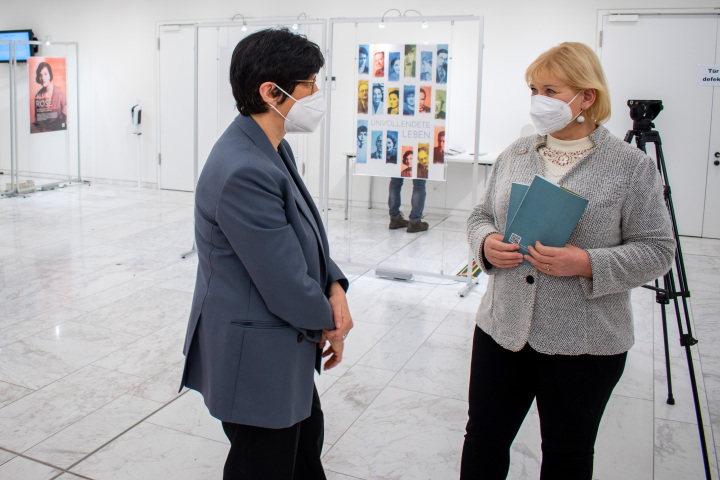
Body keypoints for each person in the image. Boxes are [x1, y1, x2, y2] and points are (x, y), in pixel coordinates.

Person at [461, 42, 676, 480]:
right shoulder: (516, 153)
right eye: (533, 89)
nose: (538, 99)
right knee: (483, 438)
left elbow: (658, 249)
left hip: (585, 342)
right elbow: (480, 215)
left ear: (587, 97)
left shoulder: (631, 168)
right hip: (502, 329)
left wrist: (587, 262)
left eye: (550, 90)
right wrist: (485, 243)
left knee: (567, 454)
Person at [179, 28, 353, 480]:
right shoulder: (244, 169)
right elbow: (283, 282)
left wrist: (335, 286)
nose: (317, 93)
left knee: (302, 453)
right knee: (266, 465)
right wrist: (329, 321)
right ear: (270, 92)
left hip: (280, 343)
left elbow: (304, 235)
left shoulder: (270, 147)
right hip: (254, 354)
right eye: (309, 84)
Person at [32, 61, 67, 133]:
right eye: (40, 75)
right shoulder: (38, 95)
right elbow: (38, 118)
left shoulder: (58, 93)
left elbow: (66, 112)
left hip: (58, 130)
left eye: (45, 74)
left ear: (50, 75)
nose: (42, 78)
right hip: (44, 131)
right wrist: (43, 129)